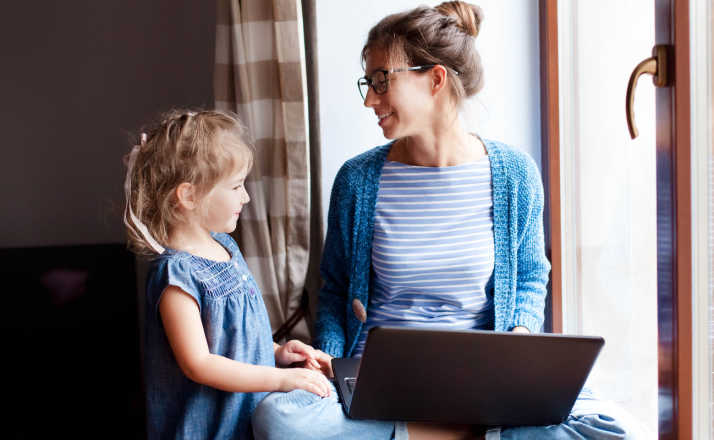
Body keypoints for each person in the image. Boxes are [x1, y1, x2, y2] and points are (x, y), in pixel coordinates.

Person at [252, 2, 639, 439]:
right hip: (376, 386)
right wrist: (330, 362)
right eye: (368, 82)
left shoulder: (514, 173)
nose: (369, 98)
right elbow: (335, 288)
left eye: (382, 81)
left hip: (486, 383)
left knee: (618, 431)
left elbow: (531, 277)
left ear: (435, 79)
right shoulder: (357, 180)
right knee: (280, 419)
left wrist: (517, 339)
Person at [123, 109, 333, 439]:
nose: (246, 197)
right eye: (236, 187)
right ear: (189, 195)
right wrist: (278, 379)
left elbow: (233, 335)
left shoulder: (224, 246)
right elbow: (199, 363)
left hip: (246, 421)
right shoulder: (176, 275)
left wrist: (276, 352)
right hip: (209, 429)